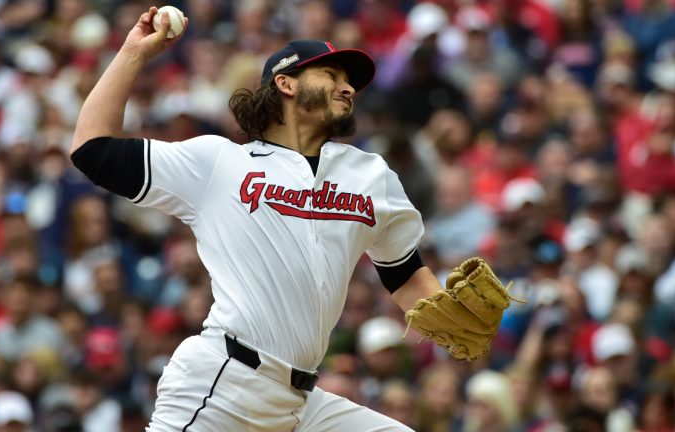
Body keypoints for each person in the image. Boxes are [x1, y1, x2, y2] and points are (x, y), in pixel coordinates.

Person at [68, 6, 466, 431]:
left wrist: (454, 320)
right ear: (285, 82)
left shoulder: (372, 175)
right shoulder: (219, 163)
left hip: (300, 401)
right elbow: (91, 148)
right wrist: (133, 52)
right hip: (225, 383)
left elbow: (405, 275)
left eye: (350, 82)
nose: (348, 87)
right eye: (332, 75)